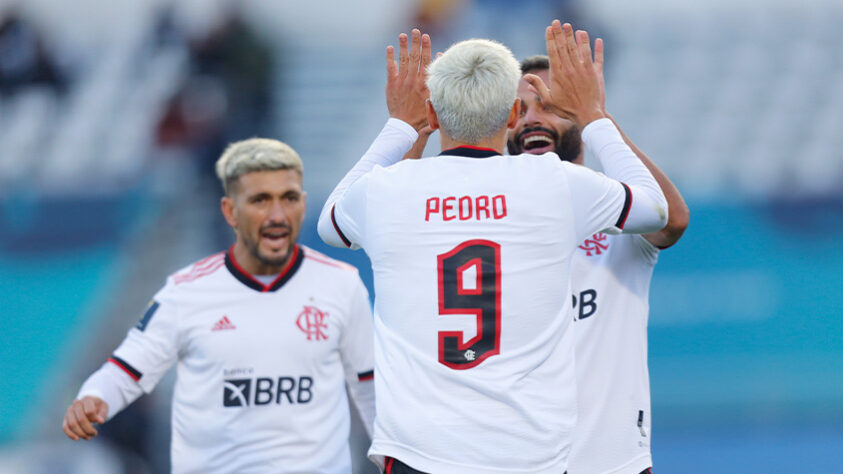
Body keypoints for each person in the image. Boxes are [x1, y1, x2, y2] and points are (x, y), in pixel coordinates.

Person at [318, 23, 668, 473]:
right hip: (526, 453)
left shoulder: (389, 189)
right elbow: (656, 209)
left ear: (434, 113)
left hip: (419, 453)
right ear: (509, 117)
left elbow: (331, 222)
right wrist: (594, 114)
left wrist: (399, 127)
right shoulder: (553, 182)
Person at [62, 138, 376, 473]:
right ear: (230, 211)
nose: (277, 215)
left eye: (289, 199)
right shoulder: (187, 292)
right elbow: (126, 370)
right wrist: (94, 396)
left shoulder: (341, 285)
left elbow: (371, 388)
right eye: (260, 200)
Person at [507, 51, 690, 474]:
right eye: (519, 109)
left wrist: (595, 114)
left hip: (613, 461)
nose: (533, 119)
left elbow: (673, 221)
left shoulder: (627, 212)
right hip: (514, 460)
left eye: (550, 106)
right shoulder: (487, 218)